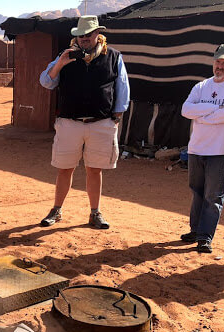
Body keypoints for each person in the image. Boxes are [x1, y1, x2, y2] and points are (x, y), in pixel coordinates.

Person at [38, 15, 130, 229]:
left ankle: (94, 213)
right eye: (80, 35)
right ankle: (56, 210)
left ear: (98, 34)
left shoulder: (113, 56)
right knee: (64, 169)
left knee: (94, 169)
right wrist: (60, 63)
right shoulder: (66, 55)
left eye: (88, 35)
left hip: (101, 123)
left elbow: (122, 88)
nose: (84, 39)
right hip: (70, 123)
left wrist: (116, 116)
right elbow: (45, 82)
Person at [180, 43, 224, 254]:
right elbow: (185, 110)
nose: (220, 66)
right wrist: (214, 108)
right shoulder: (201, 86)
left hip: (220, 149)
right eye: (218, 61)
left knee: (213, 195)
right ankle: (195, 230)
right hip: (197, 148)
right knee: (197, 191)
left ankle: (205, 236)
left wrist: (202, 115)